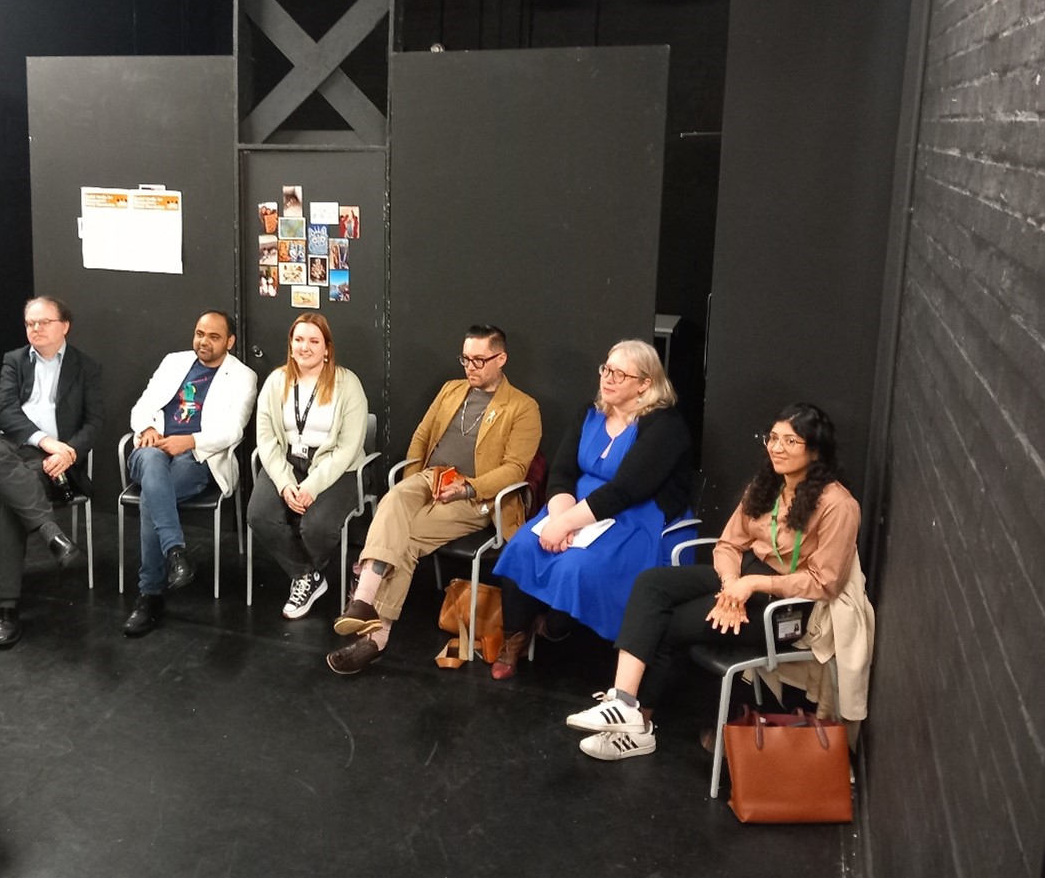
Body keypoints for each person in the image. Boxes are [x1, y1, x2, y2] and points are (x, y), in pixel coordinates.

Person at [563, 402, 865, 761]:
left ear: (815, 451)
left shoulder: (838, 504)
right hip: (740, 576)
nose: (776, 448)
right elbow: (728, 544)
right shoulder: (766, 484)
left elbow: (824, 582)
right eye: (773, 438)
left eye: (790, 441)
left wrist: (752, 587)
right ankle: (625, 705)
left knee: (666, 623)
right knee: (651, 584)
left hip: (786, 605)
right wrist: (731, 583)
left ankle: (638, 725)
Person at [328, 325, 541, 674]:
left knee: (407, 538)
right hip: (432, 476)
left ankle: (374, 636)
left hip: (476, 495)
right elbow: (422, 437)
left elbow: (515, 469)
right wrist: (416, 486)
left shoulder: (522, 407)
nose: (470, 367)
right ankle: (365, 603)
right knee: (395, 500)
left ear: (501, 359)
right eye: (465, 359)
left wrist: (468, 488)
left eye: (479, 360)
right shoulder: (451, 390)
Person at [491, 339, 694, 679]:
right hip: (571, 505)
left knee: (577, 564)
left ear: (645, 383)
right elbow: (562, 473)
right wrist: (559, 519)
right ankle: (515, 638)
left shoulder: (665, 425)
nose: (608, 378)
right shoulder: (590, 412)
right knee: (523, 546)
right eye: (606, 369)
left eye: (619, 373)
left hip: (635, 514)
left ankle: (558, 627)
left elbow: (626, 490)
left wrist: (567, 524)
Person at [0, 296, 104, 649]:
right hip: (9, 444)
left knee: (10, 494)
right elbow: (3, 411)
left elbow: (94, 423)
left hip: (50, 460)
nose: (36, 329)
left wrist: (70, 451)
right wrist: (47, 441)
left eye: (44, 322)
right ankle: (50, 532)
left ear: (65, 326)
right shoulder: (14, 361)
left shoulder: (86, 367)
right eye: (30, 323)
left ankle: (5, 607)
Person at [122, 311, 258, 637]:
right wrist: (149, 427)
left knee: (152, 498)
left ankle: (150, 594)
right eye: (199, 334)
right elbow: (142, 406)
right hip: (152, 449)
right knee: (153, 465)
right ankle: (175, 553)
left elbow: (233, 431)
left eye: (213, 336)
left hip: (198, 457)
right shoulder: (173, 362)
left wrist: (190, 441)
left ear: (230, 341)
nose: (203, 342)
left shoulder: (243, 376)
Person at [248, 314, 368, 620]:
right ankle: (306, 576)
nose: (305, 347)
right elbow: (266, 438)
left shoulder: (347, 383)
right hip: (287, 462)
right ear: (290, 345)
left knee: (317, 527)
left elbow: (348, 447)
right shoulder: (276, 382)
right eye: (299, 340)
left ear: (327, 348)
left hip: (336, 467)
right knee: (259, 515)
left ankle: (309, 572)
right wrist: (286, 482)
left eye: (314, 341)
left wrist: (311, 486)